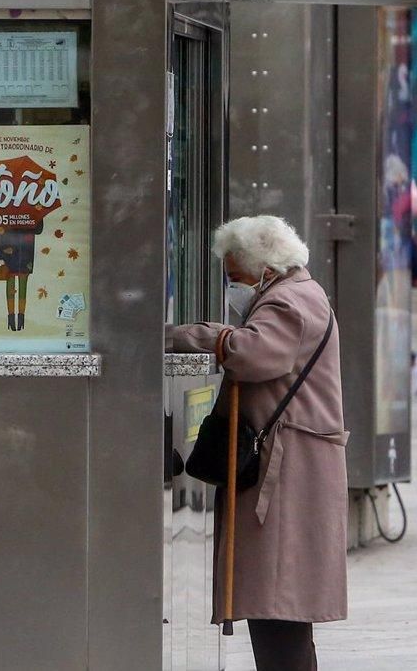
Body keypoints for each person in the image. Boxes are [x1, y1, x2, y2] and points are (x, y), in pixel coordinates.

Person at [165, 216, 348, 671]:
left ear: (265, 270)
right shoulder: (298, 294)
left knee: (277, 597)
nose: (233, 288)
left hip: (289, 472)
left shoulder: (288, 302)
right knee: (278, 599)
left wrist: (188, 335)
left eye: (234, 278)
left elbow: (251, 353)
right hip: (290, 465)